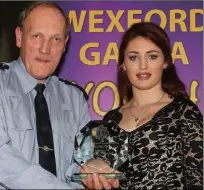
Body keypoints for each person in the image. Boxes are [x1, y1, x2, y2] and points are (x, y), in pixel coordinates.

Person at [0, 1, 92, 189]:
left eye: (56, 39)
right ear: (19, 37)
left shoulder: (76, 99)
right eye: (36, 36)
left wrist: (91, 173)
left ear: (65, 44)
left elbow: (82, 162)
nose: (45, 49)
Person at [79, 22, 203, 189]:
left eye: (152, 56)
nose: (142, 65)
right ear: (123, 64)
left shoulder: (184, 111)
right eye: (133, 57)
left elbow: (198, 180)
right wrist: (93, 169)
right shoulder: (109, 120)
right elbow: (98, 170)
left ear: (165, 62)